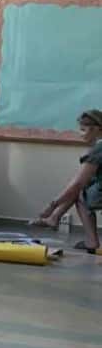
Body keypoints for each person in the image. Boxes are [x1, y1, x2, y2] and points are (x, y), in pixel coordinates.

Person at [35, 109, 102, 254]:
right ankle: (54, 218)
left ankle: (91, 241)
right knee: (81, 187)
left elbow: (77, 184)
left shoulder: (99, 149)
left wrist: (52, 206)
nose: (80, 134)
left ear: (97, 129)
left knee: (79, 193)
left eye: (83, 130)